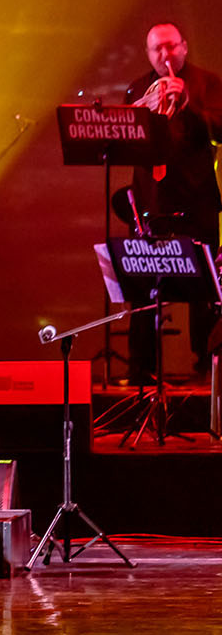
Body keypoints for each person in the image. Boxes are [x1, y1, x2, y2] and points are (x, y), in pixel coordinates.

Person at [125, 22, 222, 383]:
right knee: (143, 287)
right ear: (148, 53)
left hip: (196, 200)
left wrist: (188, 105)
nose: (164, 54)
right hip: (152, 200)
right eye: (157, 49)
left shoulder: (208, 83)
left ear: (184, 47)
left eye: (170, 46)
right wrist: (139, 112)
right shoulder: (138, 87)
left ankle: (207, 368)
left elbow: (220, 129)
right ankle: (141, 369)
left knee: (204, 290)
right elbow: (128, 141)